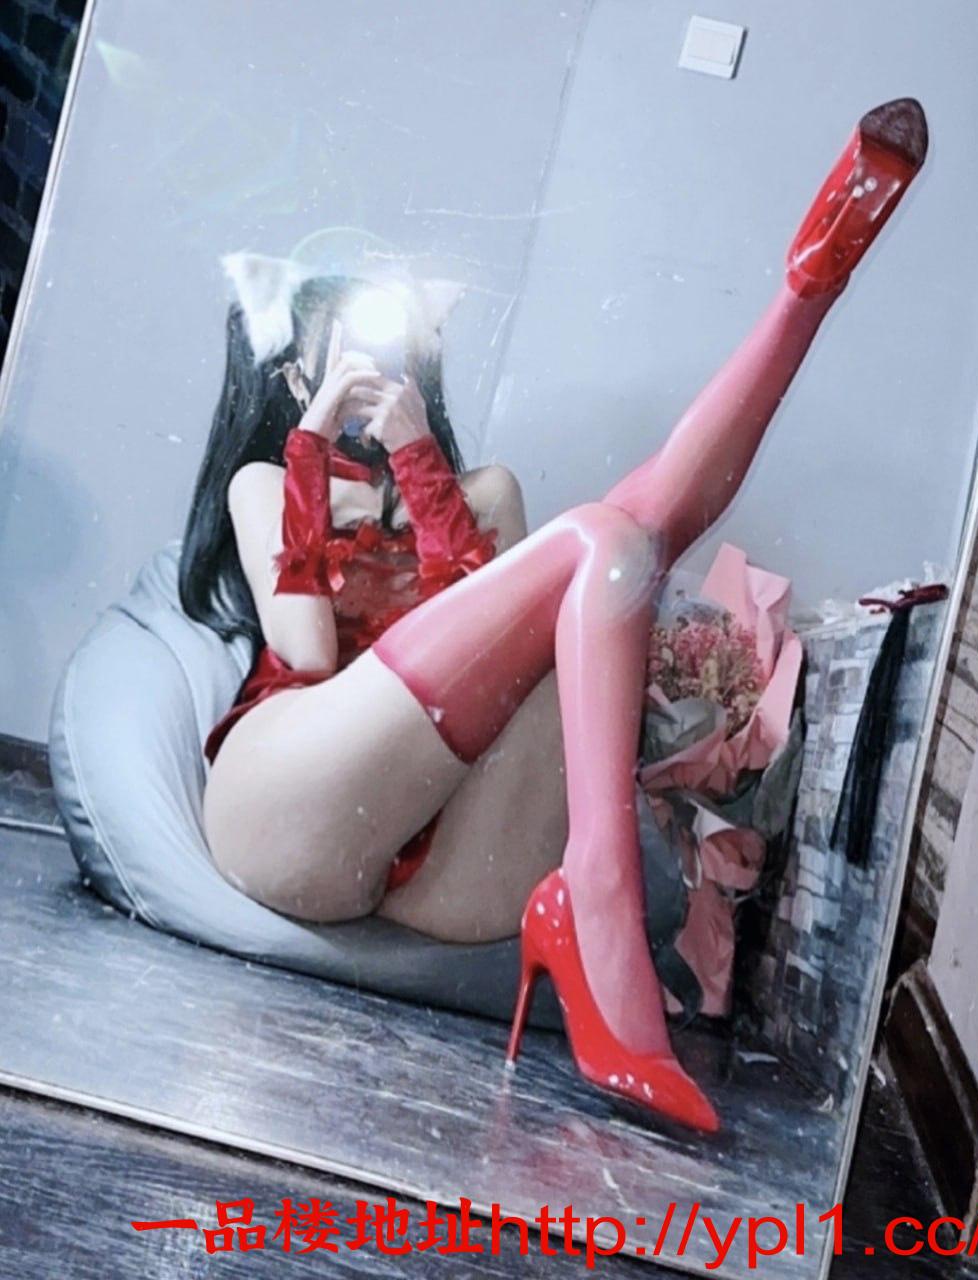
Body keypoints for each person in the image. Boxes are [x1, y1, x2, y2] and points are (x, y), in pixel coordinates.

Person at [180, 99, 928, 1132]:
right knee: (600, 535)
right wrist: (310, 443)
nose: (365, 376)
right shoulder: (267, 483)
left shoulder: (479, 491)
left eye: (385, 353)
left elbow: (503, 655)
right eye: (337, 357)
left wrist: (417, 461)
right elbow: (304, 652)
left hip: (454, 858)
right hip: (295, 809)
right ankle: (599, 901)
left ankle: (807, 288)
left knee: (613, 544)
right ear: (298, 376)